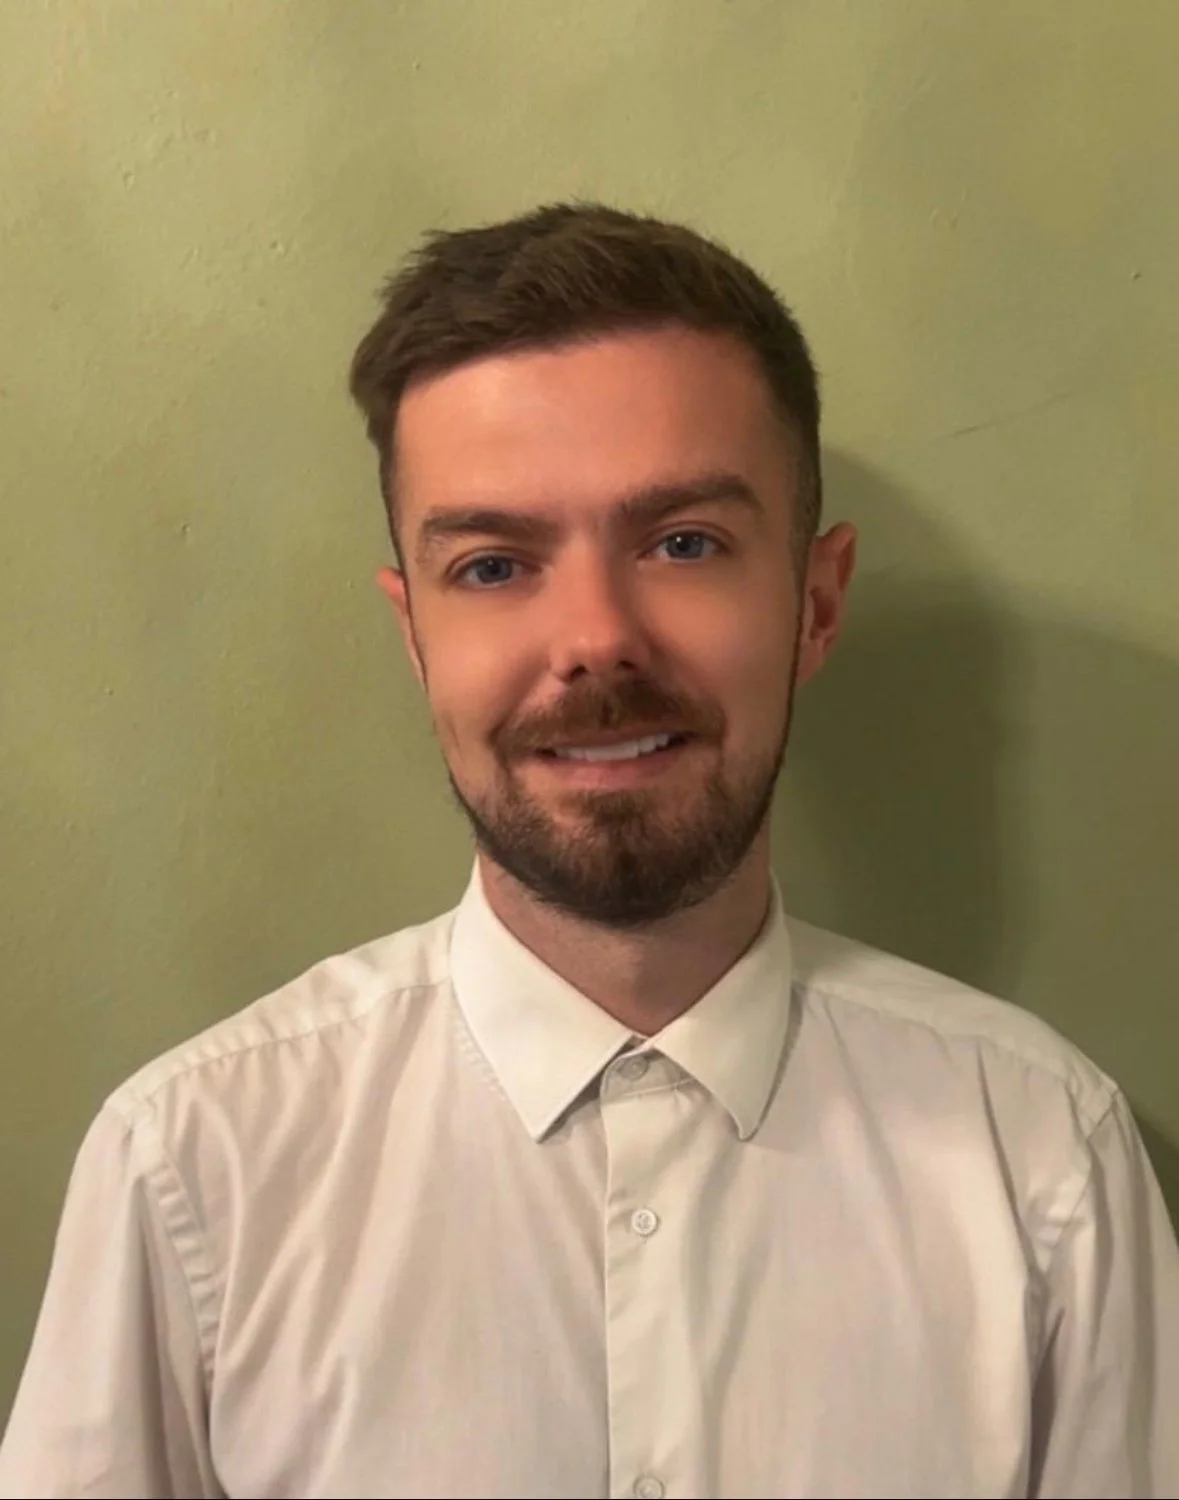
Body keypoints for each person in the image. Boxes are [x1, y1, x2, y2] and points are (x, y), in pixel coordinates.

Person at [2, 203, 1177, 1500]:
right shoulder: (192, 1170)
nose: (595, 640)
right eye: (496, 565)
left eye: (683, 544)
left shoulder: (1043, 1158)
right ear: (414, 635)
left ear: (815, 601)